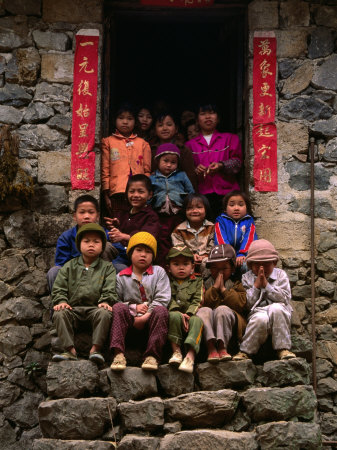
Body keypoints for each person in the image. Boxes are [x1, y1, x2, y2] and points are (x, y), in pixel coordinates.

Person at [51, 223, 117, 364]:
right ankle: (70, 350)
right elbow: (59, 287)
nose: (91, 245)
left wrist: (106, 301)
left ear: (103, 246)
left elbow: (110, 288)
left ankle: (96, 349)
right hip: (73, 309)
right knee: (59, 313)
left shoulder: (107, 268)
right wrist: (61, 301)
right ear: (79, 245)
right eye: (86, 241)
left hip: (95, 309)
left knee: (105, 313)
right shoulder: (69, 266)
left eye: (96, 242)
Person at [110, 232, 170, 371]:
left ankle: (152, 356)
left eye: (148, 252)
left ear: (153, 256)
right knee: (118, 308)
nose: (143, 255)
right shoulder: (121, 277)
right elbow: (115, 300)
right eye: (139, 250)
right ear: (130, 253)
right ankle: (118, 354)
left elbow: (163, 298)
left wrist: (145, 316)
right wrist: (133, 308)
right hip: (130, 323)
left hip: (152, 321)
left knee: (161, 311)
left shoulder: (158, 272)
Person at [233, 239, 296, 361]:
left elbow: (285, 298)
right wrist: (256, 286)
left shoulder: (281, 275)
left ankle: (282, 348)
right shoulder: (246, 278)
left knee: (276, 308)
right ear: (250, 265)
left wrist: (267, 285)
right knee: (260, 319)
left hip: (279, 309)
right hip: (258, 311)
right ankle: (245, 351)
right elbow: (247, 304)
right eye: (257, 265)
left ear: (274, 263)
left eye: (266, 264)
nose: (262, 268)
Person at [46, 194, 120, 292]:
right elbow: (62, 264)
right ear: (74, 216)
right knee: (54, 272)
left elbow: (120, 257)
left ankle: (112, 301)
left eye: (91, 212)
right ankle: (60, 304)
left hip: (102, 275)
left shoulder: (108, 235)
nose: (86, 216)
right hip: (76, 277)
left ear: (98, 216)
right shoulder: (66, 237)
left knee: (120, 267)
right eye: (82, 212)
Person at [185, 103, 242, 219]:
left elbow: (238, 162)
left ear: (218, 118)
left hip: (228, 193)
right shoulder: (189, 145)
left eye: (211, 113)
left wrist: (222, 165)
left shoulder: (230, 138)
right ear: (197, 120)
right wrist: (196, 170)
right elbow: (186, 171)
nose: (207, 117)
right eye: (203, 114)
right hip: (202, 196)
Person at [197, 244, 247, 362]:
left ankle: (222, 346)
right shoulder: (203, 284)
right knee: (203, 311)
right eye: (215, 268)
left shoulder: (237, 284)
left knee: (222, 310)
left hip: (231, 327)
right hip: (210, 324)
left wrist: (224, 291)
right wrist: (214, 288)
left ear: (232, 269)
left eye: (224, 268)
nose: (220, 272)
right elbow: (202, 303)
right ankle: (211, 347)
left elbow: (241, 304)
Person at [101, 103, 151, 216]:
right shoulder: (108, 142)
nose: (125, 122)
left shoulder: (143, 144)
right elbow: (105, 169)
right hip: (117, 192)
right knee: (118, 222)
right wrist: (106, 194)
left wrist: (147, 192)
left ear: (135, 121)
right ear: (115, 120)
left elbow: (147, 171)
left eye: (129, 119)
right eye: (121, 118)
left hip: (139, 193)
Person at [150, 143, 194, 266]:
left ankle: (181, 263)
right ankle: (164, 265)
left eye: (173, 162)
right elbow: (148, 196)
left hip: (178, 214)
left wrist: (190, 205)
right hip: (160, 215)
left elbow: (190, 191)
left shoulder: (181, 176)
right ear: (158, 161)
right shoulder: (152, 179)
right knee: (162, 239)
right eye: (165, 161)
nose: (169, 165)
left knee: (180, 237)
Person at [104, 174, 159, 272]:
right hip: (121, 251)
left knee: (120, 269)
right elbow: (118, 234)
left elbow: (147, 237)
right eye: (132, 191)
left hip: (138, 255)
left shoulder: (151, 216)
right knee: (103, 245)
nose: (135, 195)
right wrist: (115, 226)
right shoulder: (125, 212)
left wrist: (124, 236)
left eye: (141, 192)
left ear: (150, 195)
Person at [167, 246, 204, 374]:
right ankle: (176, 352)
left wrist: (189, 314)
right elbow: (167, 298)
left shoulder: (197, 281)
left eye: (186, 264)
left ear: (192, 267)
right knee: (173, 316)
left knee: (197, 321)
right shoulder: (167, 281)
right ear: (169, 268)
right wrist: (177, 311)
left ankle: (190, 356)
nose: (181, 267)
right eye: (176, 264)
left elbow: (197, 300)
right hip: (175, 315)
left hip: (190, 314)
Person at [151, 112, 198, 190]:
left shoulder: (183, 149)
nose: (164, 128)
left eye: (169, 125)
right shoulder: (151, 149)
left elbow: (190, 176)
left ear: (176, 129)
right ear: (155, 130)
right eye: (160, 125)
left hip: (179, 194)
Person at [171, 193, 214, 277]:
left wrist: (204, 256)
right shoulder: (179, 230)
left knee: (207, 264)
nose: (194, 211)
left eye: (199, 207)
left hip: (207, 259)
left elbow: (213, 246)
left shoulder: (212, 227)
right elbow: (179, 248)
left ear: (206, 209)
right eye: (190, 208)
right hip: (186, 260)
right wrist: (191, 256)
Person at [215, 190, 258, 269]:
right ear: (225, 208)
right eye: (232, 205)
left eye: (241, 205)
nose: (236, 208)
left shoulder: (249, 221)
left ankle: (245, 280)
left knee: (246, 266)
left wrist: (242, 253)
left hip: (243, 255)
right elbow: (220, 238)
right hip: (225, 255)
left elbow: (249, 239)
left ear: (247, 208)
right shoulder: (220, 220)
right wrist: (229, 255)